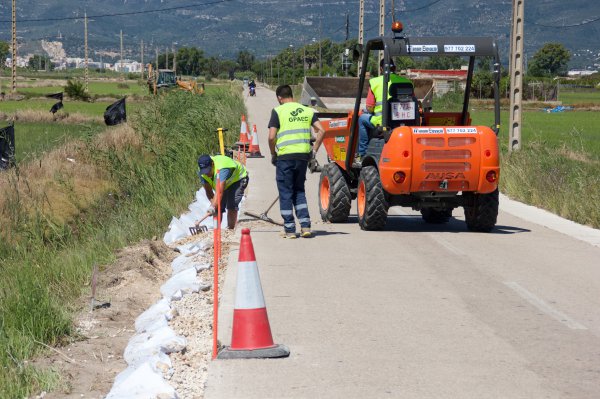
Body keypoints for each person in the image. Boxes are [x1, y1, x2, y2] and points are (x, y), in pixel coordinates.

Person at [268, 85, 325, 239]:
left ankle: (290, 229)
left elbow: (272, 137)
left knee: (286, 192)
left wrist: (273, 154)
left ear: (280, 98)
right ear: (291, 95)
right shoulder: (307, 111)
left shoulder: (278, 111)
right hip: (302, 157)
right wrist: (313, 152)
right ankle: (305, 226)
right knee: (299, 190)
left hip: (285, 157)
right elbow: (322, 130)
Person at [357, 58, 413, 158]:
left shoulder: (375, 82)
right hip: (405, 123)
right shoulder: (407, 82)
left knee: (361, 119)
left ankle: (362, 153)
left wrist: (369, 110)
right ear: (394, 68)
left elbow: (369, 107)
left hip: (382, 123)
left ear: (382, 69)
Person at [196, 154, 249, 230]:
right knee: (217, 207)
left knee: (231, 205)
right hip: (225, 183)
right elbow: (208, 190)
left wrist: (213, 206)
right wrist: (213, 206)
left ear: (212, 164)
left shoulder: (222, 168)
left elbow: (219, 191)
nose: (207, 174)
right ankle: (216, 231)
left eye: (208, 170)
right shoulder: (202, 172)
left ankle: (230, 230)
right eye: (204, 172)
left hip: (238, 179)